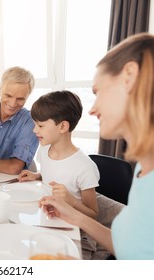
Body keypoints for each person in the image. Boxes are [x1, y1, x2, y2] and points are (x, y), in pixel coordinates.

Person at [40, 33, 154, 259]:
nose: (92, 109)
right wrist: (74, 215)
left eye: (97, 92)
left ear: (129, 76)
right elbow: (131, 247)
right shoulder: (143, 167)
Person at [18, 90, 99, 219]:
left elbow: (93, 214)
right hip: (46, 218)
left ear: (63, 127)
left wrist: (71, 200)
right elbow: (54, 174)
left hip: (70, 227)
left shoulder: (85, 167)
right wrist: (37, 176)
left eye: (40, 125)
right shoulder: (44, 151)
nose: (34, 130)